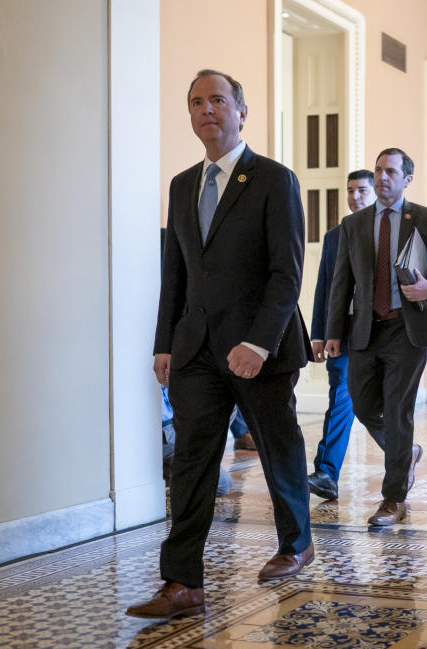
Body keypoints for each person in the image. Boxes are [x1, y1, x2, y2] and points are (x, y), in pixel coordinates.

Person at [127, 69, 313, 620]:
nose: (206, 110)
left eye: (218, 100)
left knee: (279, 450)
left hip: (260, 349)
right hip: (196, 351)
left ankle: (295, 543)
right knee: (192, 462)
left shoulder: (274, 180)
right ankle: (182, 582)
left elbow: (287, 273)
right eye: (196, 102)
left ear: (242, 111)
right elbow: (175, 274)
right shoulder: (183, 185)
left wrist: (258, 343)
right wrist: (164, 343)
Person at [325, 148, 427, 527]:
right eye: (379, 171)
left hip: (407, 328)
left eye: (391, 172)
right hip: (365, 329)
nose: (383, 178)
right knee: (364, 407)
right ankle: (407, 452)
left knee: (398, 412)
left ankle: (392, 498)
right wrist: (333, 332)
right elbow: (341, 282)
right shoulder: (355, 224)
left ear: (407, 178)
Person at [306, 169, 377, 501]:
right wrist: (318, 333)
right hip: (343, 335)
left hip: (380, 334)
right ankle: (326, 472)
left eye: (362, 190)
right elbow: (325, 287)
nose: (355, 196)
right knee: (341, 399)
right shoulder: (334, 236)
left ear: (376, 192)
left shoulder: (388, 231)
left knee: (379, 405)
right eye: (350, 191)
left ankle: (403, 455)